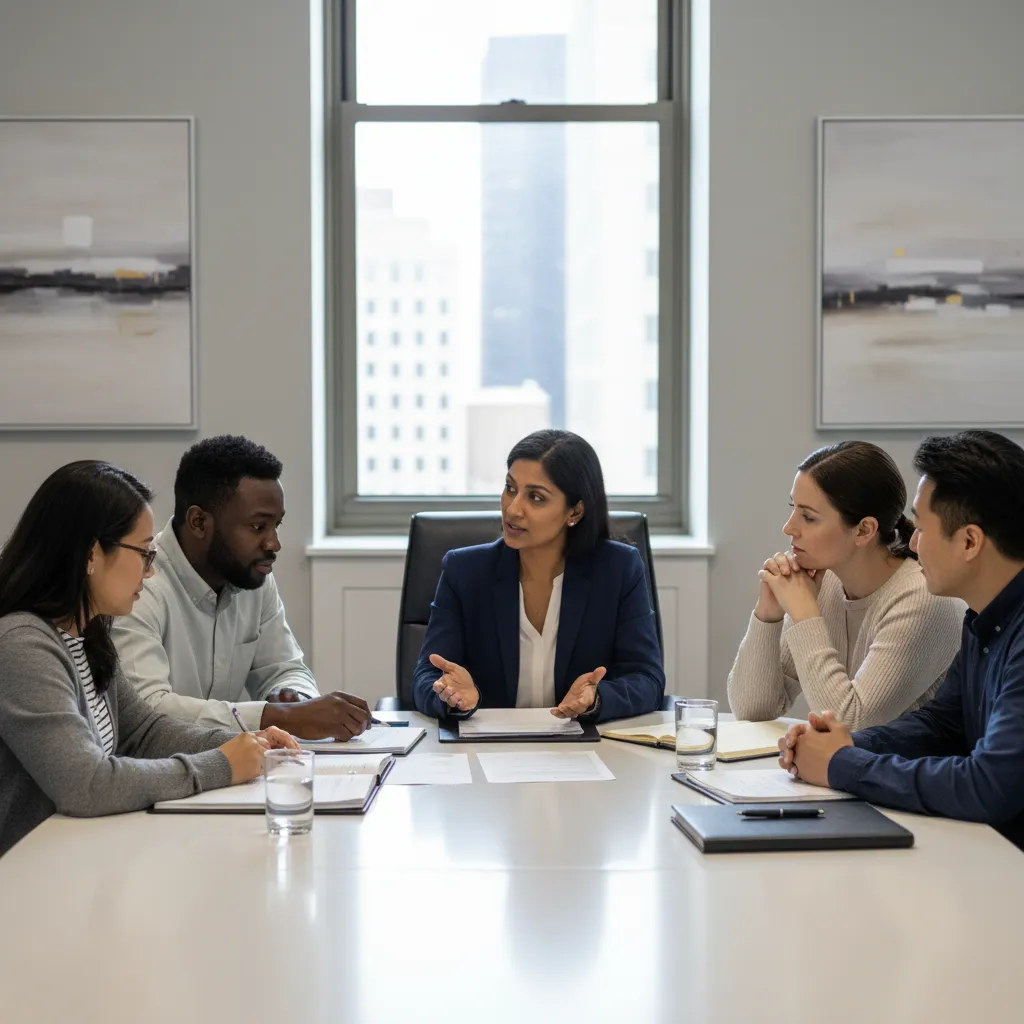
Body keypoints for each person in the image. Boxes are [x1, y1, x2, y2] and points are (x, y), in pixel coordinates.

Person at [0, 461, 298, 856]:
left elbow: (144, 733)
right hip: (27, 875)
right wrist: (222, 764)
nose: (151, 570)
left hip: (76, 853)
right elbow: (86, 784)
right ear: (92, 554)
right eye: (144, 553)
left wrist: (249, 746)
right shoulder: (23, 645)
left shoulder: (86, 634)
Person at [779, 430, 1024, 849]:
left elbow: (987, 786)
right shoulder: (983, 618)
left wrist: (843, 764)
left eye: (922, 529)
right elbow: (943, 724)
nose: (911, 542)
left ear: (969, 541)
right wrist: (844, 743)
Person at [112, 436, 370, 739]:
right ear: (198, 522)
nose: (274, 543)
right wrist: (275, 717)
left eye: (277, 526)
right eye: (258, 527)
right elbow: (147, 711)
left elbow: (284, 667)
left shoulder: (252, 578)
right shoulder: (139, 586)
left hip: (227, 769)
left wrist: (293, 697)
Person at [412, 429, 665, 722]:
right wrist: (452, 696)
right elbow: (426, 675)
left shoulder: (618, 569)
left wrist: (597, 699)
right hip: (488, 748)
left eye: (535, 497)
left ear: (575, 511)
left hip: (582, 750)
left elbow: (647, 679)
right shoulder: (465, 571)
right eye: (510, 488)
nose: (513, 508)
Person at [727, 440, 963, 730]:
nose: (788, 528)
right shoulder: (823, 582)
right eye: (793, 508)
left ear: (864, 530)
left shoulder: (922, 599)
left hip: (914, 771)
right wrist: (767, 615)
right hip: (858, 770)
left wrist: (804, 615)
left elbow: (850, 725)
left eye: (808, 517)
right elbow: (752, 710)